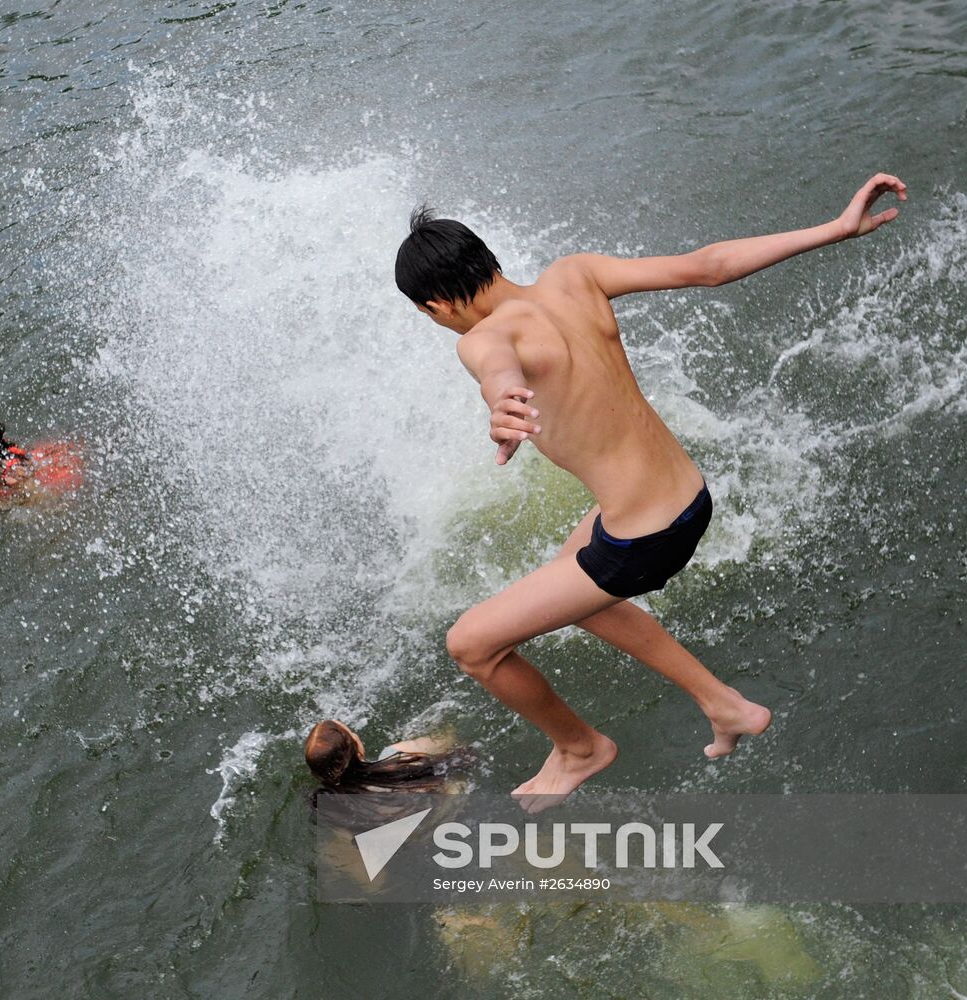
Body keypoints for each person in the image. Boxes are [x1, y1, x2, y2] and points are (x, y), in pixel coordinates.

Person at [394, 173, 908, 809]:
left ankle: (581, 748)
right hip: (687, 495)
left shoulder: (481, 337)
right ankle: (726, 707)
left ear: (435, 307)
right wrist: (836, 228)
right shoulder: (574, 275)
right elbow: (709, 266)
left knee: (472, 645)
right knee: (568, 582)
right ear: (487, 258)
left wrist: (502, 401)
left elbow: (496, 363)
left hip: (647, 535)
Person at [0, 403, 85, 510]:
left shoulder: (0, 477)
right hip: (60, 463)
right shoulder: (10, 451)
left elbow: (40, 497)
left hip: (63, 483)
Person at [303, 719, 472, 793]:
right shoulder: (397, 755)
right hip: (454, 800)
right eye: (353, 734)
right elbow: (448, 741)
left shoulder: (341, 809)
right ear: (359, 751)